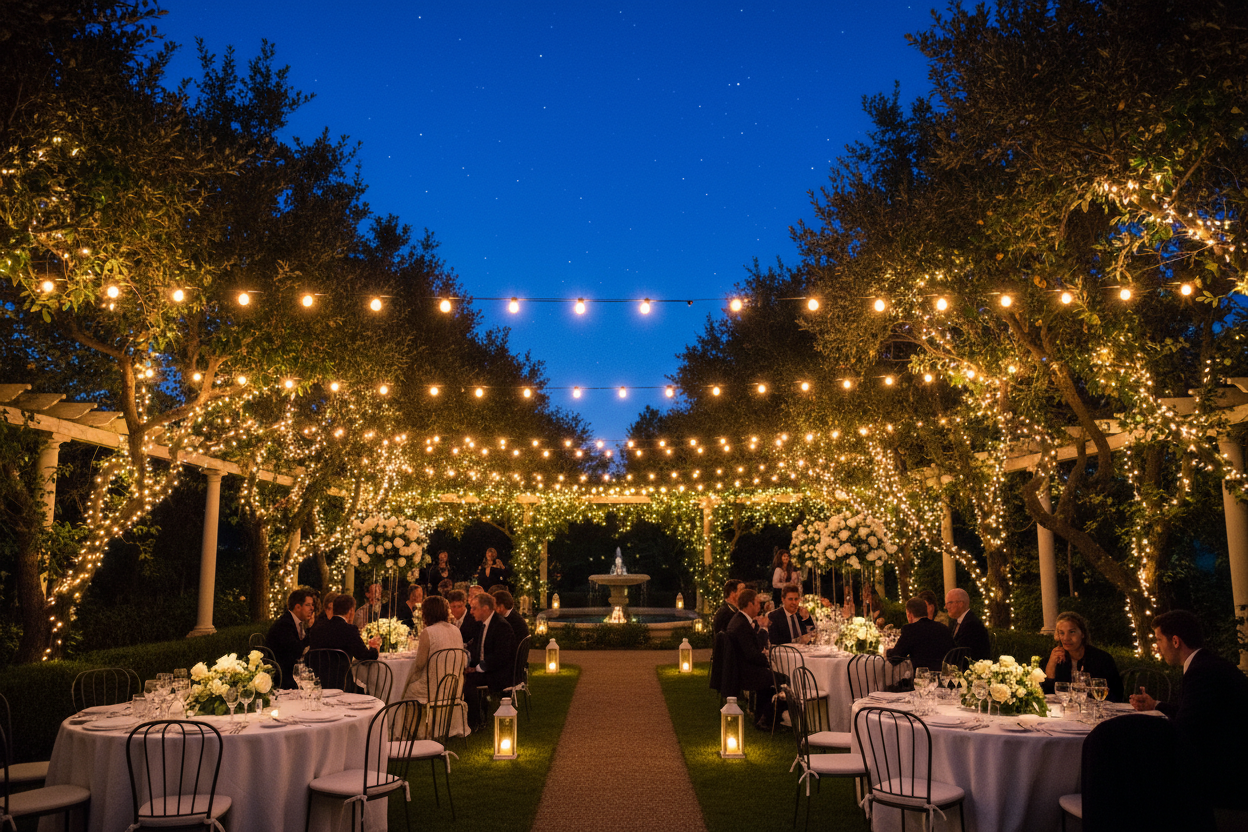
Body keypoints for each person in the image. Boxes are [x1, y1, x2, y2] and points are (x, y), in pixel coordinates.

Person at [1130, 610, 1248, 827]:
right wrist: (1156, 705)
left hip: (1225, 779)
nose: (1157, 646)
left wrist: (1137, 730)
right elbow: (1195, 713)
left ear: (1175, 641)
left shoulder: (1201, 671)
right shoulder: (1207, 664)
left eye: (1158, 640)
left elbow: (1184, 730)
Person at [1040, 611, 1123, 701]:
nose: (1066, 638)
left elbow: (1117, 694)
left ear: (1082, 633)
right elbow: (1046, 696)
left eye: (1072, 632)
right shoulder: (1057, 659)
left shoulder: (1101, 659)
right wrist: (1051, 666)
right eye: (1062, 633)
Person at [463, 592, 517, 728]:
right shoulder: (484, 624)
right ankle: (472, 718)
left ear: (485, 608)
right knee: (463, 676)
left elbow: (501, 656)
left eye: (474, 608)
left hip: (499, 673)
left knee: (467, 682)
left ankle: (475, 722)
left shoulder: (500, 626)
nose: (471, 611)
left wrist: (477, 668)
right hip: (489, 668)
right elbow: (478, 650)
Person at [400, 595, 465, 705]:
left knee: (404, 691)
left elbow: (420, 664)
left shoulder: (428, 632)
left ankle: (408, 722)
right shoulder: (456, 630)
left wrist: (408, 679)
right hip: (454, 687)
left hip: (433, 689)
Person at [726, 589, 775, 730]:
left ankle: (761, 717)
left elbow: (754, 646)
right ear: (749, 604)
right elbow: (753, 654)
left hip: (741, 669)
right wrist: (768, 662)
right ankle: (768, 718)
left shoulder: (739, 620)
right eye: (757, 603)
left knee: (771, 677)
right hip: (745, 674)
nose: (759, 606)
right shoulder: (741, 625)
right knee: (782, 679)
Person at [887, 597, 956, 672]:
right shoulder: (943, 628)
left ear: (909, 614)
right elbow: (953, 652)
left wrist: (886, 651)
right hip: (945, 676)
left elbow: (895, 658)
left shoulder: (910, 630)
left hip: (922, 678)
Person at [267, 587, 316, 689]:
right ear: (298, 607)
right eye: (308, 605)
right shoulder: (284, 624)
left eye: (312, 605)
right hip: (283, 677)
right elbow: (298, 650)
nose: (312, 608)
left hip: (294, 670)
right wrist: (311, 628)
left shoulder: (296, 622)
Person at [308, 594, 382, 661]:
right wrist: (374, 648)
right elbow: (365, 656)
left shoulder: (317, 628)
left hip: (318, 674)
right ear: (351, 611)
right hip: (341, 675)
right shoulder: (350, 630)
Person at [944, 587, 991, 660]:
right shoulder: (956, 622)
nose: (946, 607)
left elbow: (961, 651)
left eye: (949, 603)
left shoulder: (972, 624)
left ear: (961, 604)